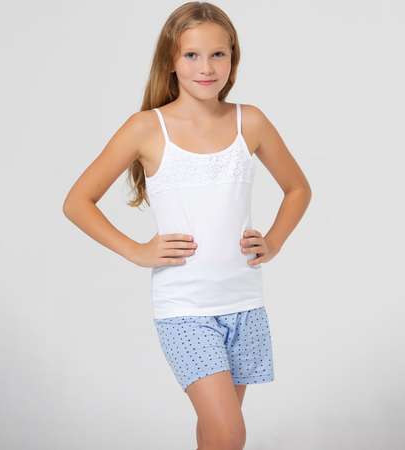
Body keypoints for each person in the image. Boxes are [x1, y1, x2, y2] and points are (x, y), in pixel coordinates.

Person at [62, 2, 311, 449]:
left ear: (233, 58)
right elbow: (77, 202)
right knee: (230, 432)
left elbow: (298, 189)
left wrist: (273, 241)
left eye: (218, 54)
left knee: (216, 431)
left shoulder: (250, 121)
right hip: (184, 308)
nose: (206, 67)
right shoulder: (146, 128)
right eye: (192, 55)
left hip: (244, 303)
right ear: (171, 61)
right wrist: (137, 250)